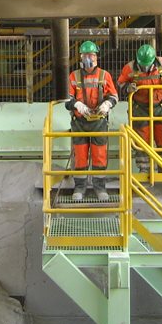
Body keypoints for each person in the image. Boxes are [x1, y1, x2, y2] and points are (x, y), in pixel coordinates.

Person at [117, 43, 162, 172]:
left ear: (153, 60)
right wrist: (128, 88)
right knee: (141, 141)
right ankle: (145, 171)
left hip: (160, 107)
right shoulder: (129, 68)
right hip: (140, 109)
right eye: (142, 65)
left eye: (147, 65)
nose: (144, 67)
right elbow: (121, 83)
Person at [64, 40, 118, 202]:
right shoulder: (74, 76)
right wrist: (77, 105)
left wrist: (107, 104)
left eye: (92, 55)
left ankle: (99, 187)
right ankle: (79, 187)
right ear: (81, 57)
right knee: (80, 156)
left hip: (99, 122)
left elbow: (114, 96)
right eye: (86, 55)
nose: (89, 58)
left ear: (96, 56)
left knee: (99, 155)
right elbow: (67, 99)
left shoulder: (104, 75)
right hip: (79, 122)